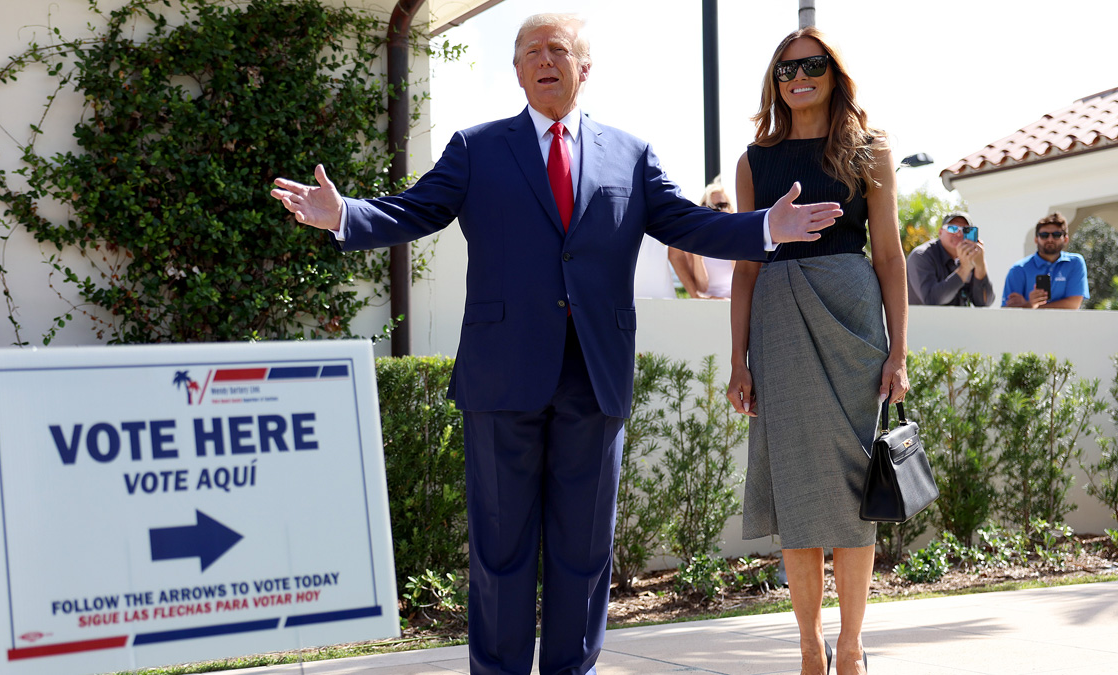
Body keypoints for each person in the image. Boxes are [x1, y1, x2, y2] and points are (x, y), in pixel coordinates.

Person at [270, 14, 843, 675]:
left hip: (593, 377)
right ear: (516, 71)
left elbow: (685, 222)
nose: (544, 60)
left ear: (584, 67)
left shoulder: (630, 153)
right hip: (501, 378)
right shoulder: (476, 148)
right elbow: (414, 209)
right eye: (530, 52)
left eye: (558, 49)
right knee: (500, 551)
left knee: (583, 551)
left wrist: (764, 227)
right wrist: (344, 215)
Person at [725, 27, 908, 675]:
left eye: (812, 65)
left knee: (855, 493)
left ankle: (853, 646)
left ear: (835, 72)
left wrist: (899, 353)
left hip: (854, 322)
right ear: (774, 81)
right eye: (785, 68)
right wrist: (737, 357)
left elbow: (888, 257)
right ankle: (809, 647)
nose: (798, 76)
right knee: (800, 490)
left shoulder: (869, 149)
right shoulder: (753, 162)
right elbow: (746, 266)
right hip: (778, 322)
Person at [1002, 212, 1089, 309]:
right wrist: (1030, 304)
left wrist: (1030, 306)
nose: (1050, 239)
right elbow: (1007, 311)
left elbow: (1073, 305)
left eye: (1056, 234)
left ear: (1065, 239)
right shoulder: (1018, 269)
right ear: (1036, 239)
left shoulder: (1075, 263)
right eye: (1044, 235)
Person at [906, 212, 995, 306]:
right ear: (940, 232)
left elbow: (984, 303)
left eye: (965, 230)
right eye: (952, 228)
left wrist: (980, 266)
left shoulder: (969, 258)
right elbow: (931, 299)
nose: (958, 234)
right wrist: (964, 269)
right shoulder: (921, 256)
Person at [669, 178, 737, 298]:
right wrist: (698, 255)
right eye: (710, 207)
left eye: (722, 205)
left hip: (732, 303)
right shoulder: (695, 242)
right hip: (707, 305)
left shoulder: (738, 238)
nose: (717, 210)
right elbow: (702, 288)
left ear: (731, 209)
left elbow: (740, 279)